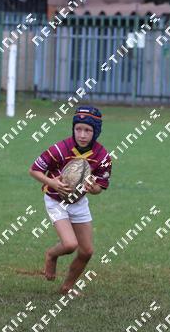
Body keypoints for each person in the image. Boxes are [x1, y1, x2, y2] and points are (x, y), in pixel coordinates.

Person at [28, 106, 112, 295]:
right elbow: (34, 170)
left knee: (87, 251)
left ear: (96, 131)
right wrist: (52, 183)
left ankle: (67, 287)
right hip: (55, 200)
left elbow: (100, 188)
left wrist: (93, 188)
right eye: (78, 129)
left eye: (88, 130)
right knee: (69, 245)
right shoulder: (59, 149)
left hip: (78, 203)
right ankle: (51, 255)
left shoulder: (103, 156)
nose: (82, 135)